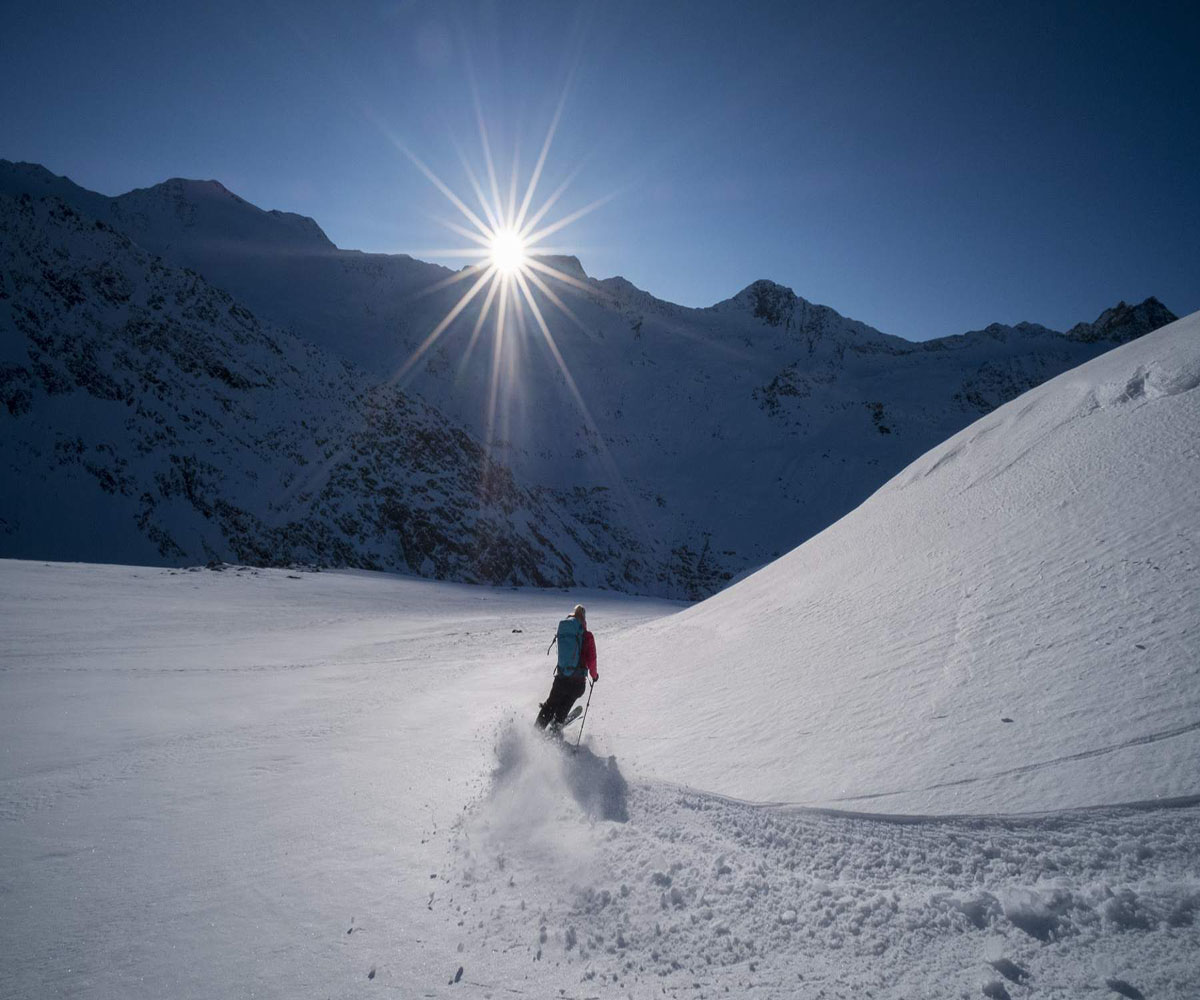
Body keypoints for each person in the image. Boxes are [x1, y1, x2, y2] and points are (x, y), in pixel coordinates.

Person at [535, 604, 598, 731]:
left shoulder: (565, 631)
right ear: (584, 619)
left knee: (550, 705)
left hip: (561, 678)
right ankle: (556, 727)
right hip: (577, 683)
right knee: (565, 704)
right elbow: (592, 660)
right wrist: (594, 676)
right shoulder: (587, 636)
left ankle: (535, 732)